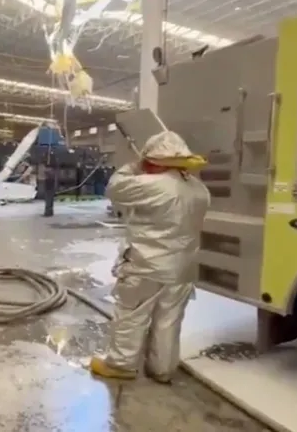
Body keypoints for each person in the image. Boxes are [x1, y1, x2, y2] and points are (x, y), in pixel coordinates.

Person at [89, 131, 211, 384]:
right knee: (169, 320)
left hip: (147, 266)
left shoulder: (152, 185)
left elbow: (115, 188)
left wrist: (134, 163)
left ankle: (121, 365)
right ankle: (162, 369)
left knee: (131, 315)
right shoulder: (199, 190)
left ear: (154, 160)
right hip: (182, 269)